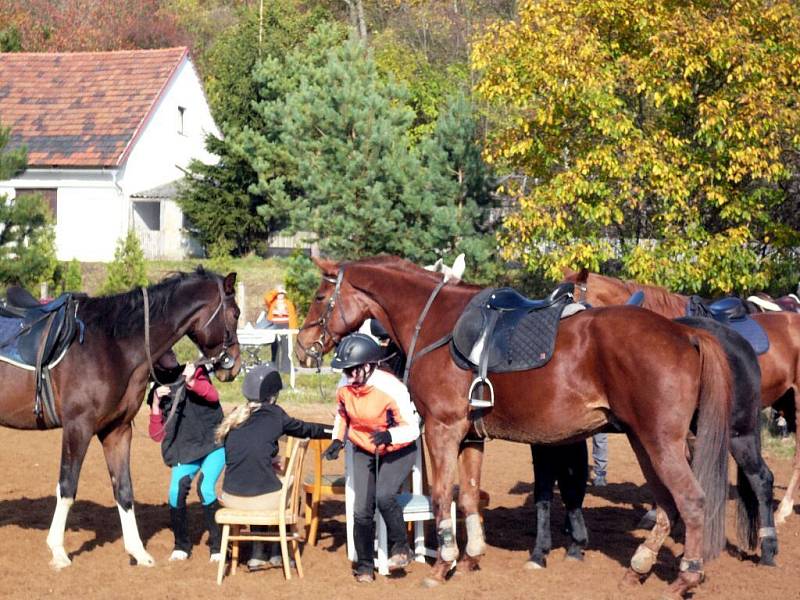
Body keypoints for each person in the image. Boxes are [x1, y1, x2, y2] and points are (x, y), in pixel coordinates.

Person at [323, 333, 420, 583]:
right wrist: (337, 439)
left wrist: (389, 435)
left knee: (384, 496)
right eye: (346, 370)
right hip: (363, 447)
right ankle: (365, 564)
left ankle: (401, 548)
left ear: (369, 366)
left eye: (353, 369)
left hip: (398, 448)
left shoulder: (390, 387)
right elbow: (342, 415)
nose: (348, 375)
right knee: (361, 510)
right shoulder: (345, 385)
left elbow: (413, 426)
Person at [215, 362, 331, 571]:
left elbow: (246, 453)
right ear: (273, 395)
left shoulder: (234, 415)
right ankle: (278, 552)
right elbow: (306, 429)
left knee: (261, 481)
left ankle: (258, 554)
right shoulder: (274, 414)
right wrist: (335, 431)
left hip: (231, 497)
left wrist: (268, 460)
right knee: (287, 489)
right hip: (261, 501)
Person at [147, 348, 224, 562]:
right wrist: (155, 403)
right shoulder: (157, 389)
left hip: (212, 444)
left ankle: (218, 547)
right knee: (175, 492)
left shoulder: (195, 371)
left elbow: (213, 395)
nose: (171, 352)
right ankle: (181, 545)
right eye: (164, 352)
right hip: (185, 450)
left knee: (205, 487)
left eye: (171, 350)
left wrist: (191, 382)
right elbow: (155, 434)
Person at [261, 286, 297, 373]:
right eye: (279, 294)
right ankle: (275, 367)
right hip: (274, 326)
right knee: (275, 347)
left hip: (285, 326)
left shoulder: (288, 303)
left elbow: (293, 316)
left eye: (282, 294)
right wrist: (275, 291)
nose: (280, 295)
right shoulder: (273, 303)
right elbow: (267, 298)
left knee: (286, 347)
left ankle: (286, 368)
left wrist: (293, 329)